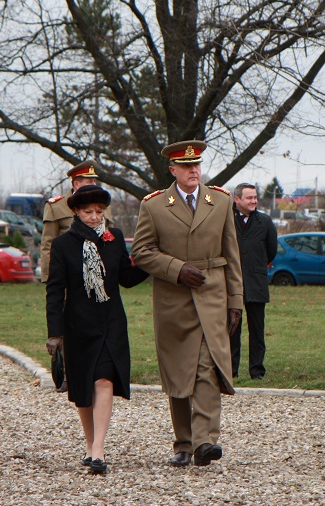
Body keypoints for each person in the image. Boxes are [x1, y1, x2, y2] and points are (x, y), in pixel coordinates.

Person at [131, 140, 242, 468]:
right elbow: (141, 252)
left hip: (213, 293)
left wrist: (236, 301)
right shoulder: (153, 206)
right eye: (186, 165)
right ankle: (183, 442)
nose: (194, 170)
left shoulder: (220, 201)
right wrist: (177, 270)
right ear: (173, 170)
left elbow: (232, 253)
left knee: (208, 366)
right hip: (173, 299)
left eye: (197, 164)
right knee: (180, 372)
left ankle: (205, 441)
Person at [45, 184, 148, 475]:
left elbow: (126, 277)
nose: (94, 217)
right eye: (88, 212)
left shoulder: (113, 238)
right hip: (78, 325)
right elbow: (55, 291)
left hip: (111, 321)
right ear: (76, 212)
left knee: (104, 381)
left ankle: (99, 450)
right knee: (82, 389)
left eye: (99, 212)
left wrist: (151, 262)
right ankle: (90, 445)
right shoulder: (63, 245)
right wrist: (55, 333)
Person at [229, 183, 278, 380]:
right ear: (237, 199)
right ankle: (230, 370)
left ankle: (256, 370)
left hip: (256, 282)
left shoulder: (265, 222)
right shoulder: (226, 221)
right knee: (232, 328)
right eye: (249, 198)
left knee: (257, 329)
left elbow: (271, 250)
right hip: (232, 282)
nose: (254, 201)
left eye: (255, 197)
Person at [39, 160, 114, 283]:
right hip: (68, 271)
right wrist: (49, 277)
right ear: (77, 184)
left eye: (95, 181)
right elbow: (48, 244)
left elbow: (110, 238)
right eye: (90, 181)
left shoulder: (104, 206)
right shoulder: (56, 206)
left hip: (98, 271)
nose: (94, 184)